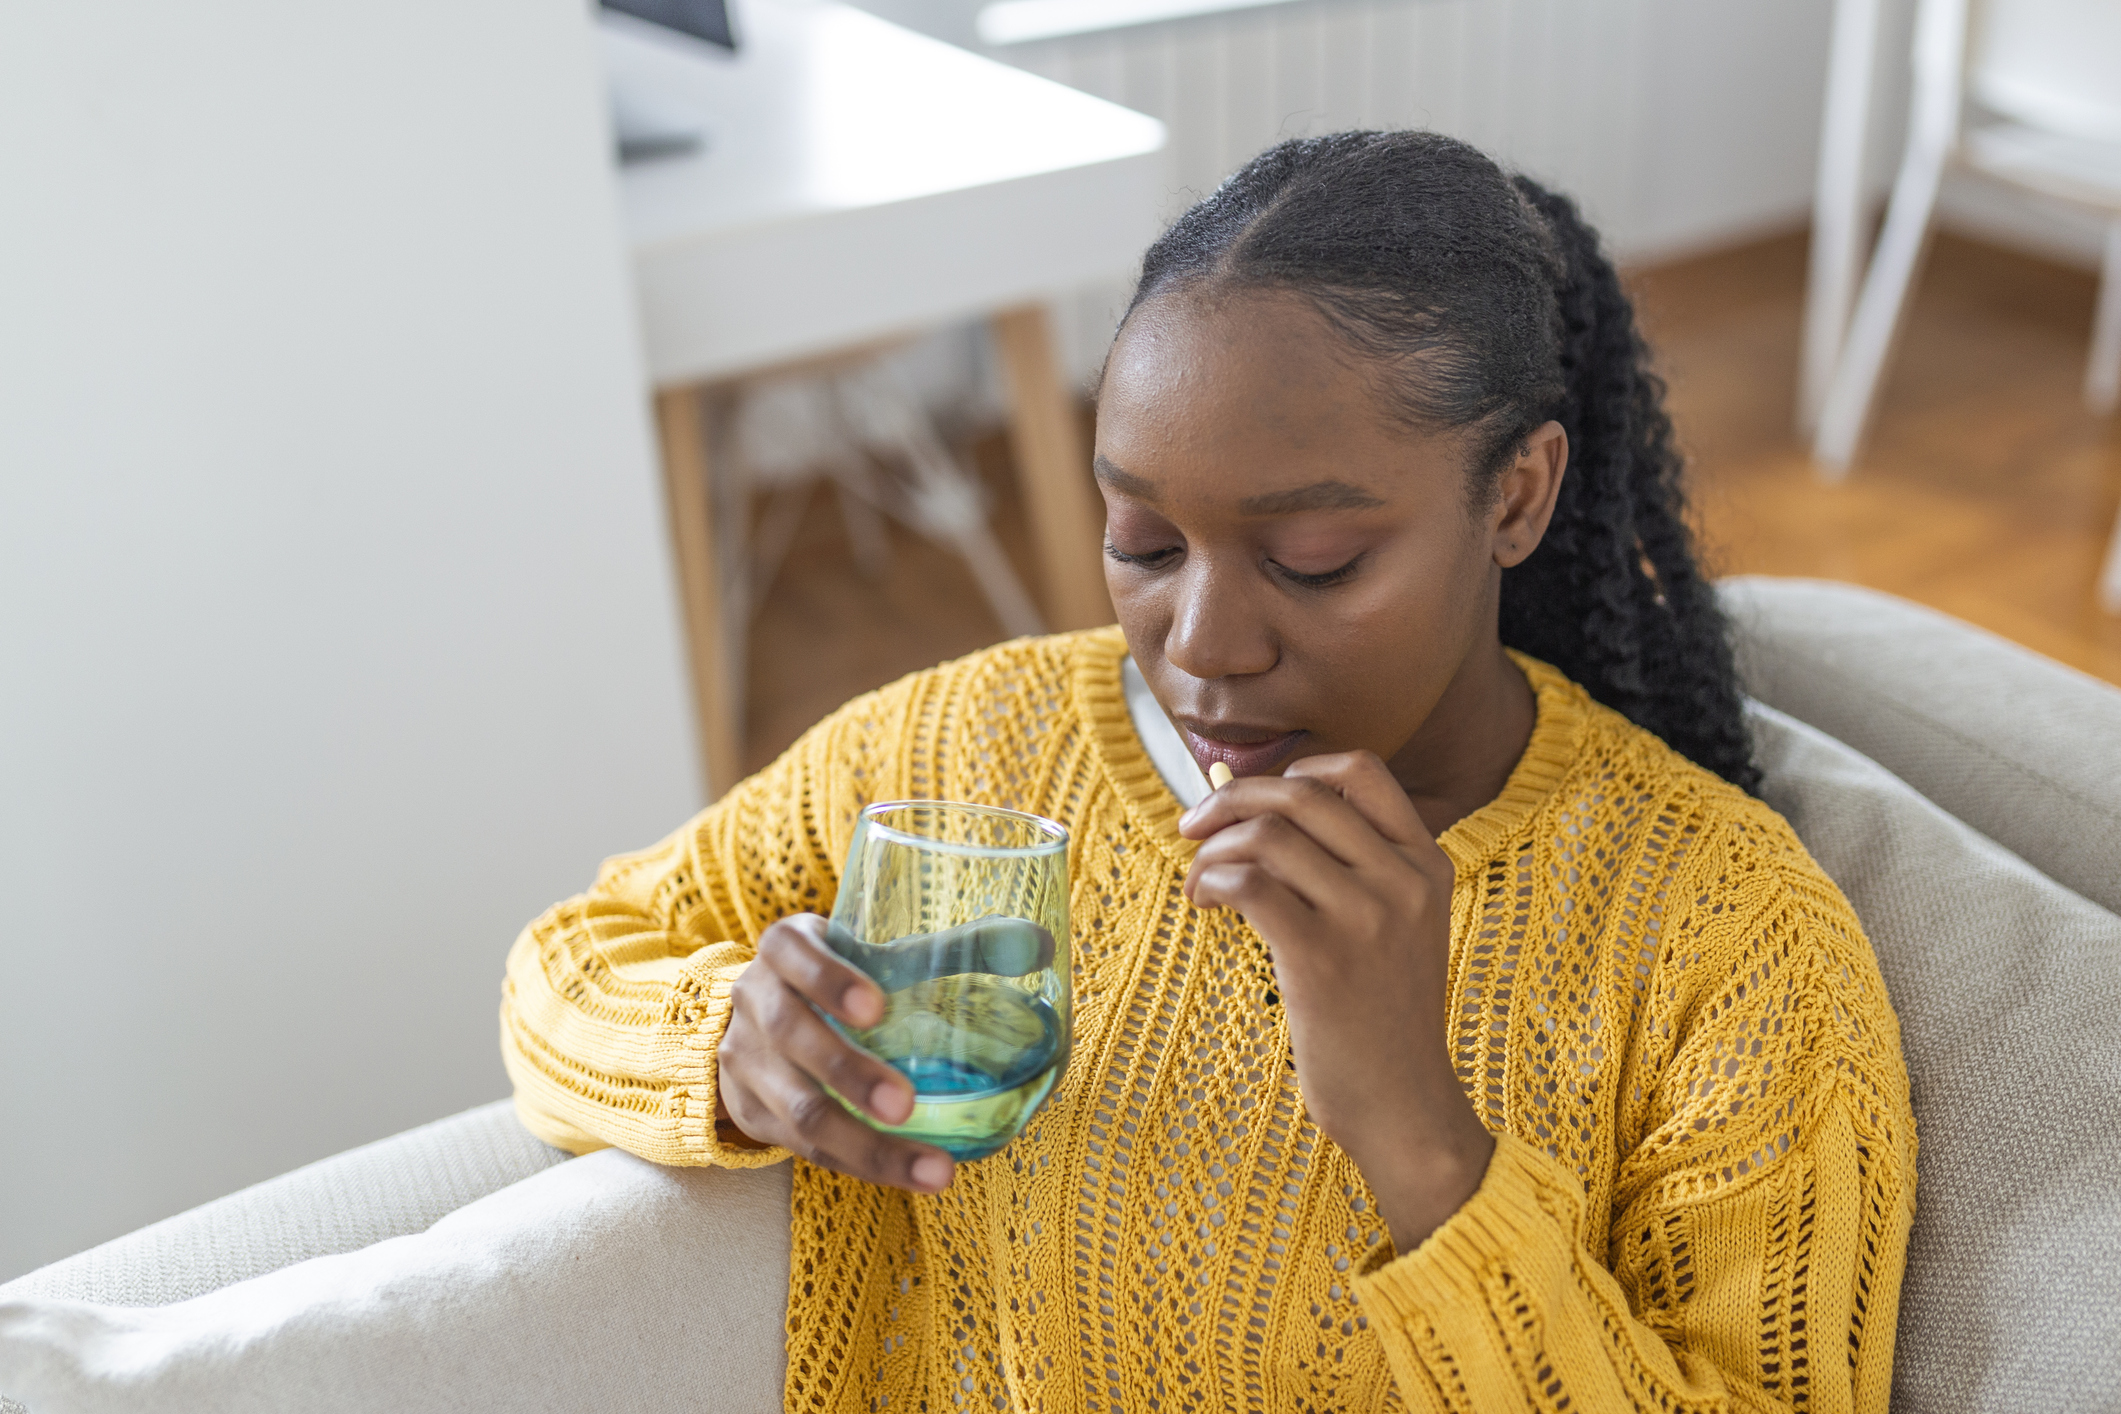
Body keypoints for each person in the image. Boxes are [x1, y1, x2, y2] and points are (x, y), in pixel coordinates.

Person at [501, 131, 1915, 1412]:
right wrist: (736, 1053)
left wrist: (1425, 1147)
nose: (1202, 646)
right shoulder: (965, 751)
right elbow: (564, 971)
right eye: (1143, 544)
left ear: (1516, 496)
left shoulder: (1724, 937)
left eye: (1312, 561)